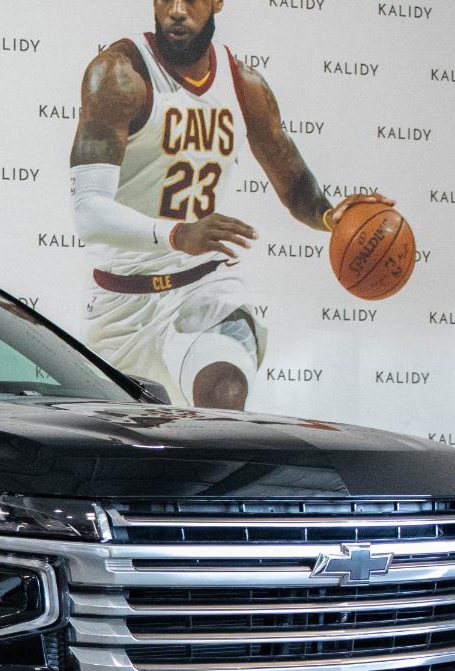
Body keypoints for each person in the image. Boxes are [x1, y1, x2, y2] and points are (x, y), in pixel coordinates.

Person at [70, 0, 391, 409]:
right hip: (118, 303)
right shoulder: (120, 75)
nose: (177, 10)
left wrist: (330, 216)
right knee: (127, 442)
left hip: (203, 287)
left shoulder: (243, 84)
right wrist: (178, 234)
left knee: (224, 390)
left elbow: (295, 184)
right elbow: (88, 211)